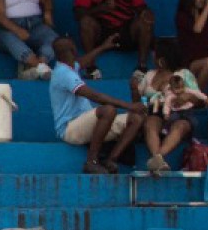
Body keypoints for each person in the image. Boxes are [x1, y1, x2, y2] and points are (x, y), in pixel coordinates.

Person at [48, 35, 146, 173]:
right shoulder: (64, 73)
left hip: (88, 125)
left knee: (136, 119)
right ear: (73, 50)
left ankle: (111, 160)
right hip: (70, 129)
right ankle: (91, 162)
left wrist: (103, 47)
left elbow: (83, 62)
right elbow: (95, 96)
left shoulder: (68, 66)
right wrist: (130, 106)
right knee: (108, 110)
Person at [137, 53, 208, 176]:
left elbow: (199, 100)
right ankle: (159, 163)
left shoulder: (184, 74)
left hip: (181, 114)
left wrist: (187, 97)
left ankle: (157, 158)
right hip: (156, 112)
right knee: (150, 124)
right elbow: (139, 99)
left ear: (162, 59)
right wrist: (135, 90)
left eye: (155, 54)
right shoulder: (150, 74)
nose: (152, 56)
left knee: (180, 126)